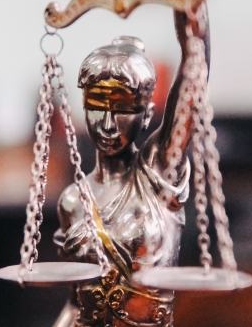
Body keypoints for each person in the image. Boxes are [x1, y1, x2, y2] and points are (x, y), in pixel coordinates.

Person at [53, 36, 191, 327]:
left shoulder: (156, 175)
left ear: (146, 116)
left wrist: (192, 28)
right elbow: (75, 303)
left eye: (123, 109)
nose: (107, 124)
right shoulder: (72, 201)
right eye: (96, 105)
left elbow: (192, 85)